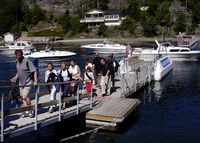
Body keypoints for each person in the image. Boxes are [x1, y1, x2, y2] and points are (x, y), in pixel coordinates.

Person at [10, 49, 37, 118]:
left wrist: (35, 81)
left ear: (22, 55)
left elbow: (34, 71)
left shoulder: (27, 61)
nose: (18, 57)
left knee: (25, 96)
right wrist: (15, 78)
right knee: (23, 98)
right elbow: (19, 72)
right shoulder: (17, 61)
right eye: (17, 55)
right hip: (21, 83)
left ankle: (31, 110)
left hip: (28, 81)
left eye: (19, 55)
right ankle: (26, 111)